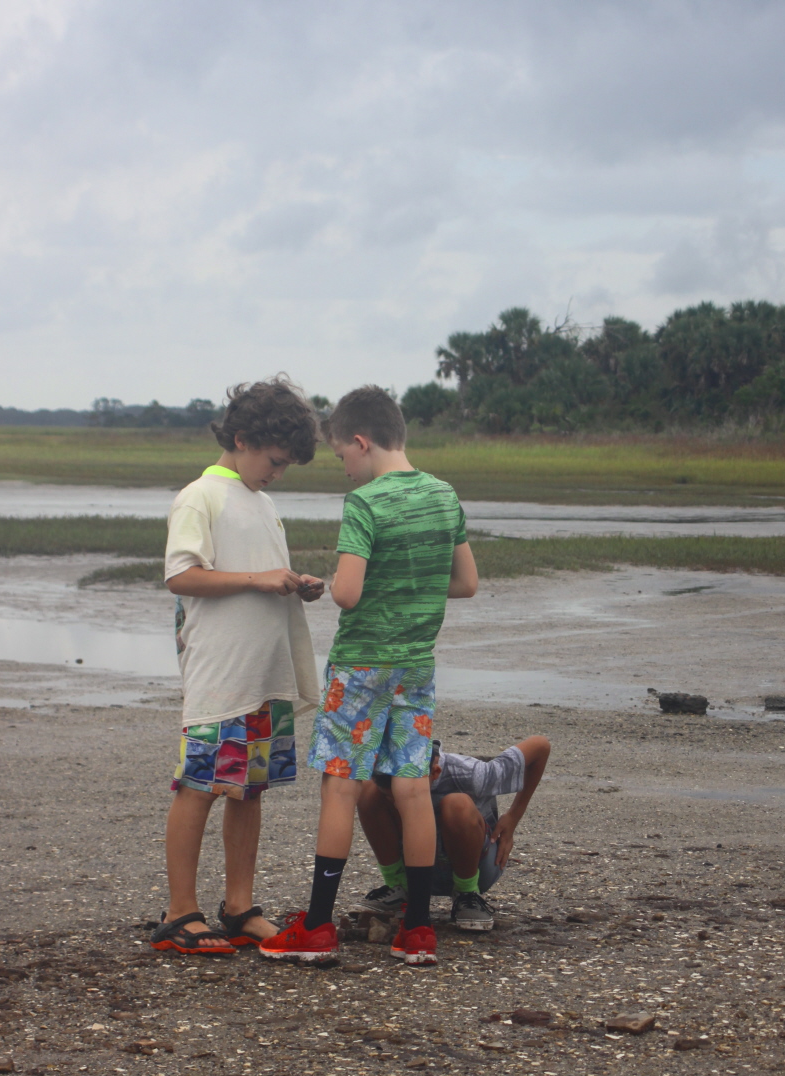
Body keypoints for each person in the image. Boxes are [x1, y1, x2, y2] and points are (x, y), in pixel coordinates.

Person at [260, 385, 477, 966]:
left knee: (339, 784)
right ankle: (418, 931)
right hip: (415, 666)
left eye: (341, 457)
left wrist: (324, 586)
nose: (345, 470)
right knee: (412, 790)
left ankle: (317, 926)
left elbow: (349, 595)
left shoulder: (367, 505)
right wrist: (411, 589)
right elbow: (466, 583)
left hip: (360, 667)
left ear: (360, 441)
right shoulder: (444, 495)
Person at [150, 376, 323, 955]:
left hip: (262, 673)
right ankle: (180, 913)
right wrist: (257, 578)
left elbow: (262, 575)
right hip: (221, 673)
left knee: (249, 788)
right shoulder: (201, 495)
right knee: (199, 785)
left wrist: (295, 584)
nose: (278, 472)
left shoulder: (263, 501)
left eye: (286, 465)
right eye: (274, 460)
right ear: (243, 438)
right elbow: (181, 574)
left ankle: (239, 906)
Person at [356, 735, 550, 931]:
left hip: (474, 866)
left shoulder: (473, 774)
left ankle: (467, 895)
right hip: (415, 870)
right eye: (393, 797)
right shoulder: (381, 775)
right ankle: (398, 886)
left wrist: (513, 817)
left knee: (457, 804)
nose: (399, 802)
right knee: (368, 791)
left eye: (405, 793)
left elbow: (540, 746)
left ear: (435, 772)